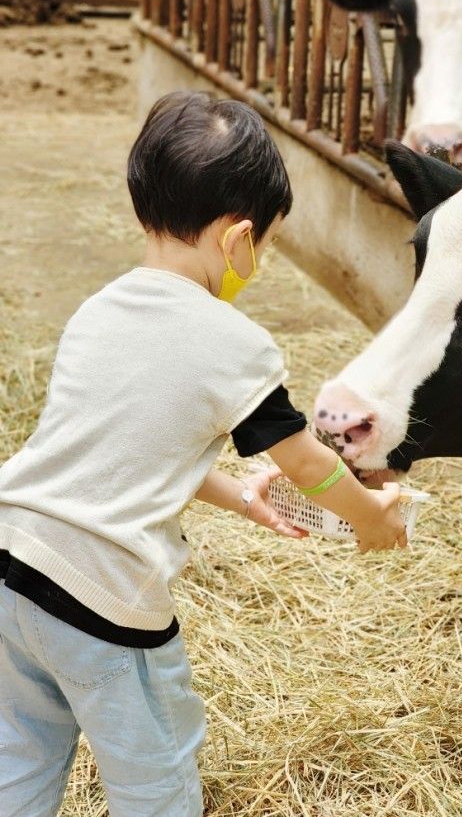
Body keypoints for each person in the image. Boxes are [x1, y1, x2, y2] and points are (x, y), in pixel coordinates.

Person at [0, 92, 407, 817]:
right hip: (101, 596)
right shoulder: (234, 344)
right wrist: (370, 517)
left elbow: (129, 451)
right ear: (238, 238)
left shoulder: (99, 310)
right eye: (267, 247)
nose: (261, 263)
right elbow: (309, 463)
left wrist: (237, 493)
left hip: (12, 559)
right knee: (154, 765)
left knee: (22, 745)